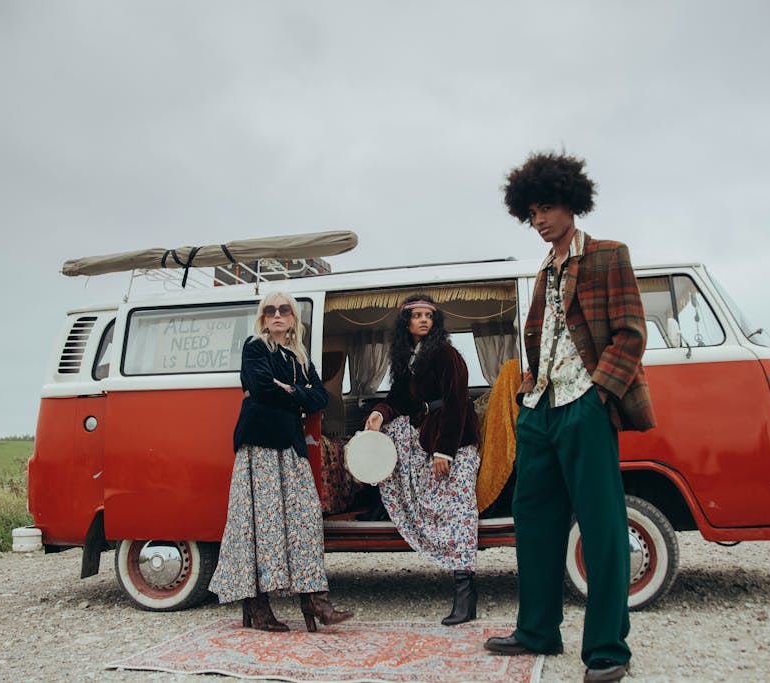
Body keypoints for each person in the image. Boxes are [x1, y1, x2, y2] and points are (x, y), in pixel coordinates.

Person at [483, 152, 656, 683]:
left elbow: (630, 332)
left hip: (585, 405)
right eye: (532, 212)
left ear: (572, 204)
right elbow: (541, 339)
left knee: (602, 528)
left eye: (548, 208)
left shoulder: (607, 255)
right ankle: (538, 629)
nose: (539, 220)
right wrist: (531, 383)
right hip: (540, 411)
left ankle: (607, 649)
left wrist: (599, 394)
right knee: (533, 525)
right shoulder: (543, 271)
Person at [209, 292, 353, 632]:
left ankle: (316, 601)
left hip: (289, 445)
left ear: (292, 317)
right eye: (270, 310)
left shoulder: (299, 356)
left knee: (305, 522)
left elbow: (320, 397)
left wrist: (292, 391)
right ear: (263, 317)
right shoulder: (255, 347)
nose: (277, 315)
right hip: (259, 443)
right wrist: (297, 392)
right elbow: (260, 388)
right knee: (259, 525)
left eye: (283, 309)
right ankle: (258, 607)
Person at [364, 294, 482, 625]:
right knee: (388, 431)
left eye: (428, 315)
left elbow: (458, 401)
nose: (423, 320)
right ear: (406, 323)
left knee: (460, 506)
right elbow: (397, 399)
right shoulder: (405, 357)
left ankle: (465, 592)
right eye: (416, 315)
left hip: (456, 438)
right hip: (427, 432)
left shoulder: (446, 353)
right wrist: (378, 413)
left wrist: (445, 451)